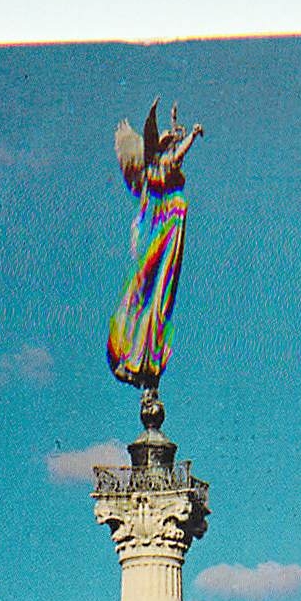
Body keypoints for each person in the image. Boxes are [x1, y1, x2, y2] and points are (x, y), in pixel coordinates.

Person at [108, 101, 203, 390]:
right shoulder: (160, 169)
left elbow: (175, 156)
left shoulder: (157, 174)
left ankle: (140, 353)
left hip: (166, 227)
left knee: (156, 291)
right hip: (166, 227)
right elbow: (176, 157)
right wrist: (192, 136)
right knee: (156, 289)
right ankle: (136, 353)